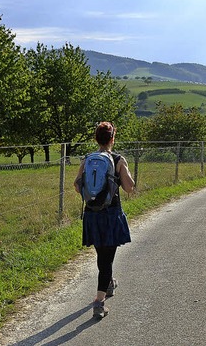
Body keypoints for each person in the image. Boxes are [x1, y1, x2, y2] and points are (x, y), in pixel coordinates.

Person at [74, 121, 135, 319]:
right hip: (110, 214)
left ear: (96, 139)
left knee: (102, 255)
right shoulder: (117, 159)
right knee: (106, 259)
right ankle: (99, 302)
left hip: (92, 215)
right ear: (112, 139)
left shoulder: (87, 159)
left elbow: (77, 185)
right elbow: (129, 188)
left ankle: (108, 282)